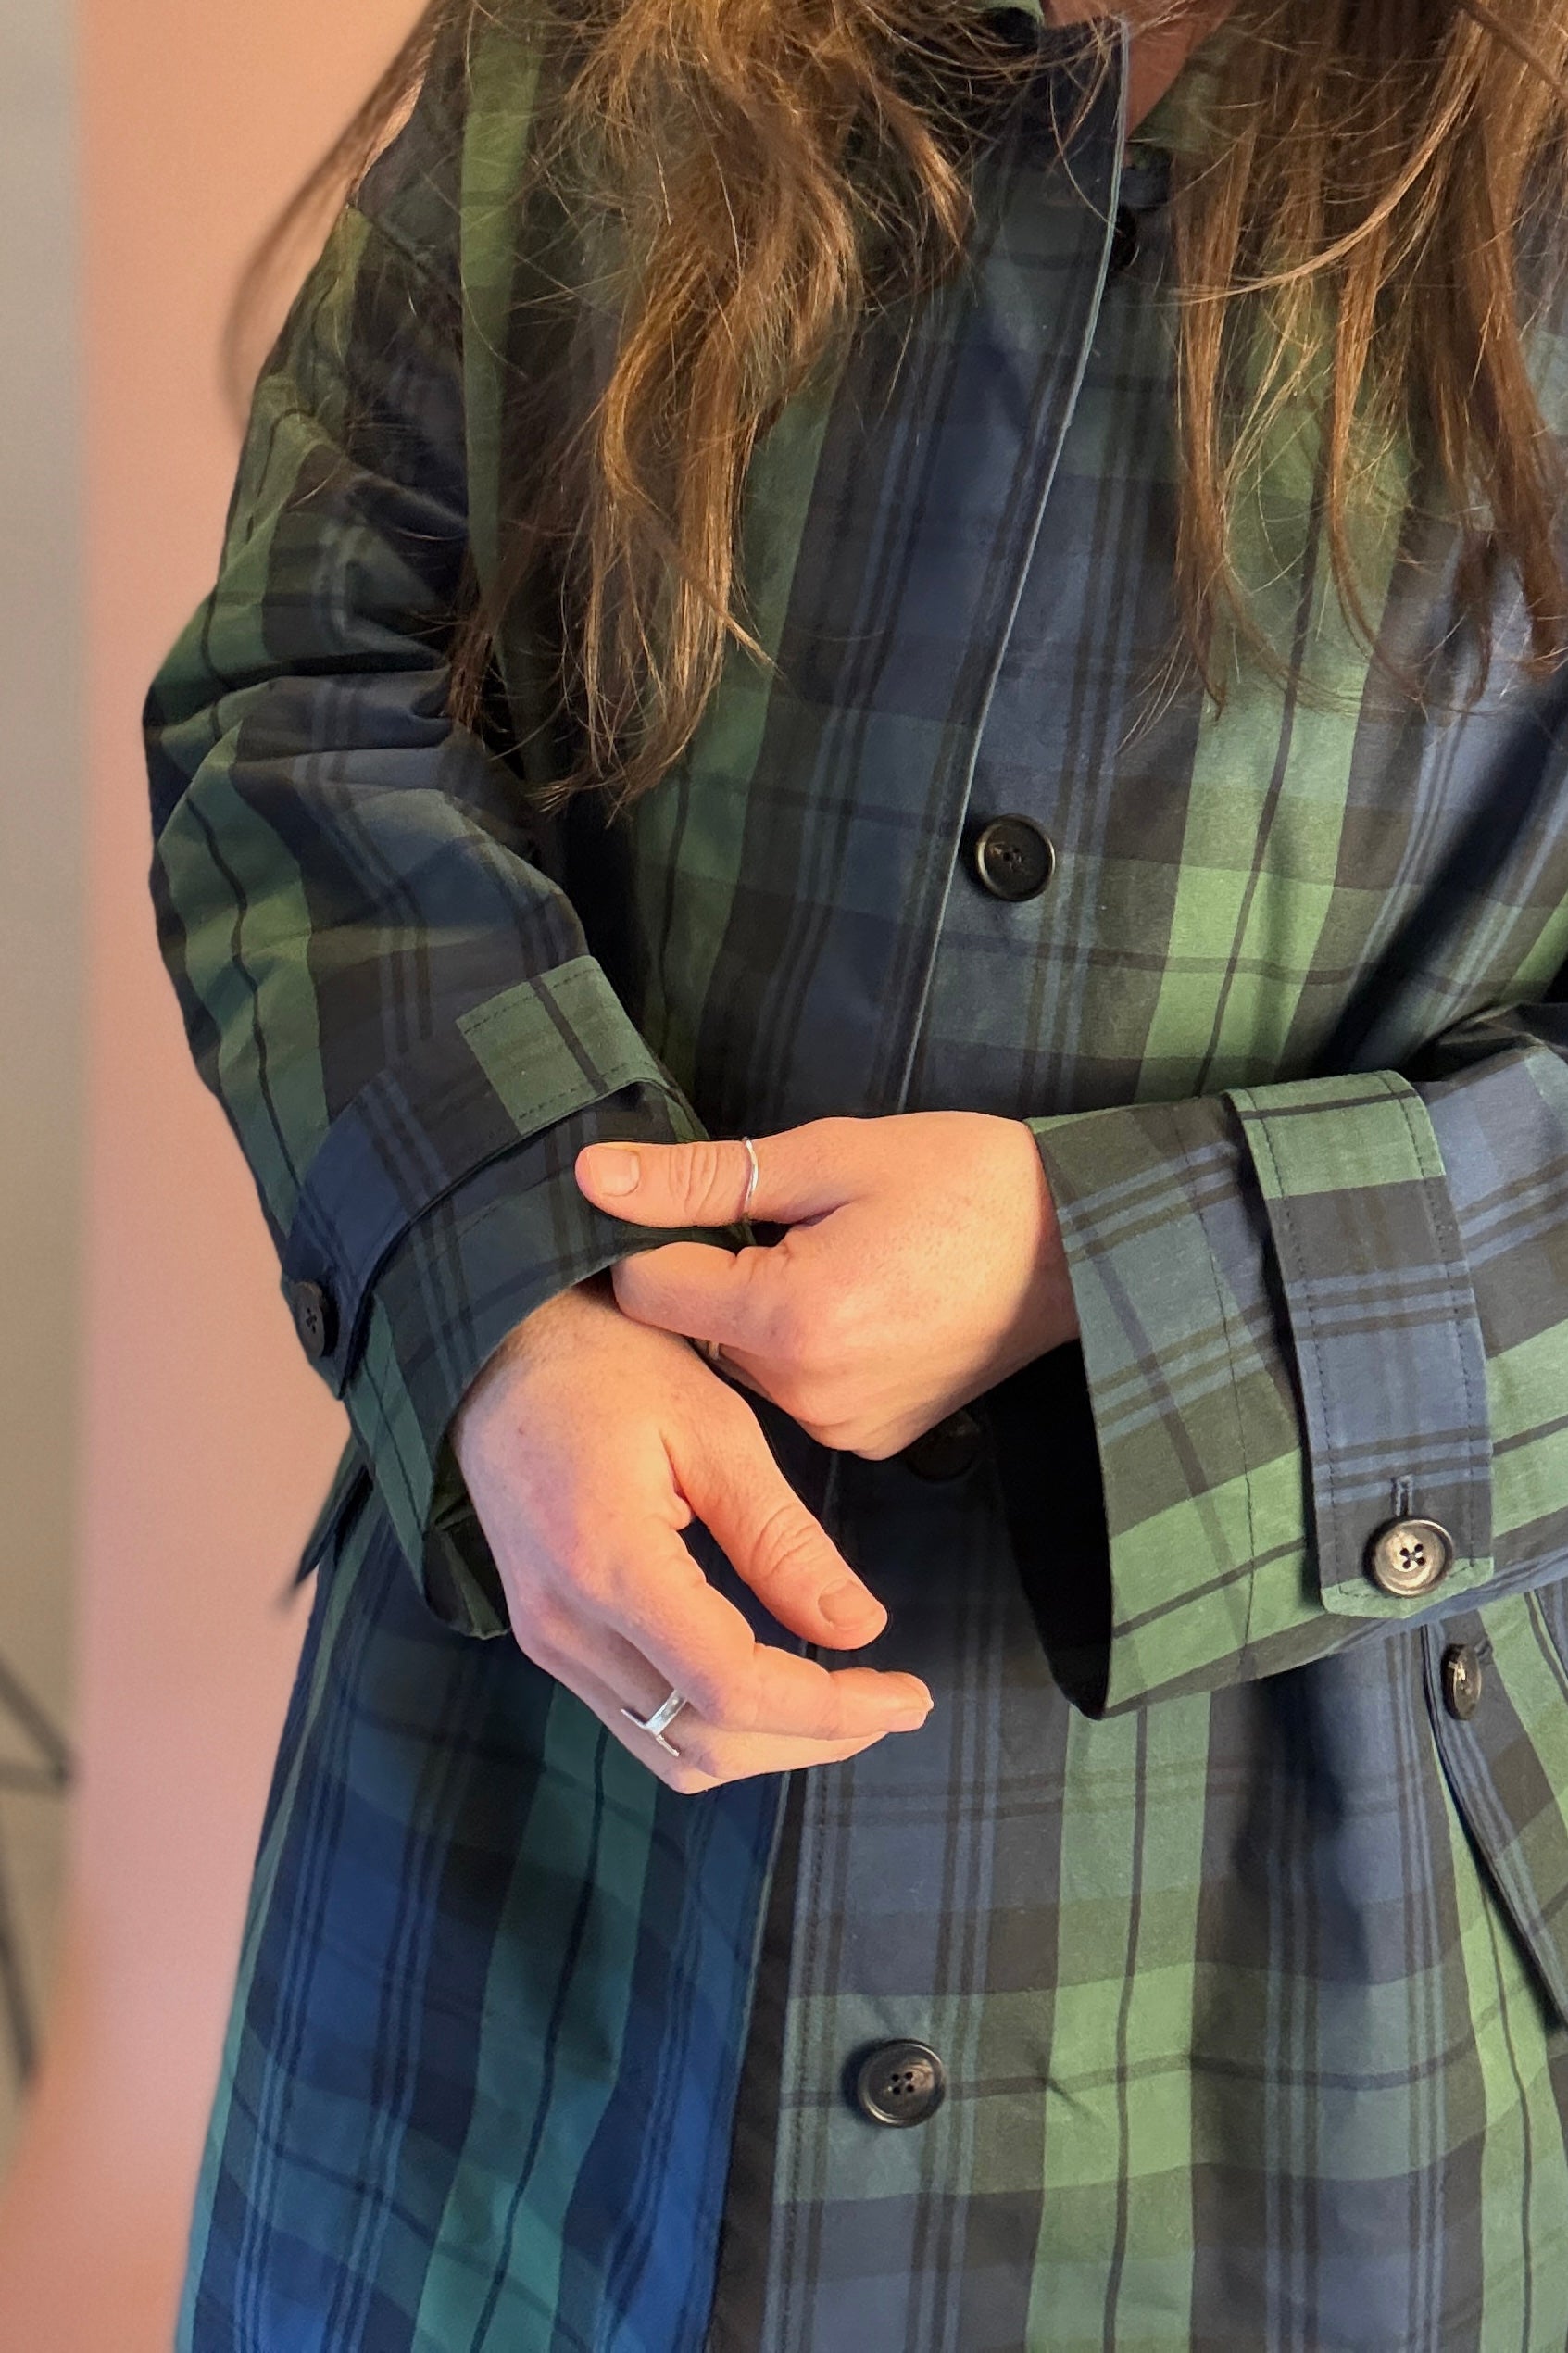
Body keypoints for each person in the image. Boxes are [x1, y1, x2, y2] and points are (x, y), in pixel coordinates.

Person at [143, 0, 1568, 2342]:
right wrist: (507, 1281)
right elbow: (313, 686)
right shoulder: (592, 46)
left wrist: (1122, 1272)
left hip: (1312, 2000)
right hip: (515, 1901)